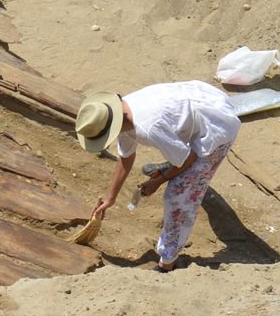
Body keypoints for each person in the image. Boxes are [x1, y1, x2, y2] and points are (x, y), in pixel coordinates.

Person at [76, 81, 241, 273]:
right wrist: (110, 198)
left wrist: (159, 181)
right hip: (198, 103)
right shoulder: (121, 113)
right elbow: (126, 157)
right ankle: (172, 162)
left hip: (217, 123)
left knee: (178, 198)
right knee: (178, 163)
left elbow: (189, 158)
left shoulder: (147, 128)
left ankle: (167, 263)